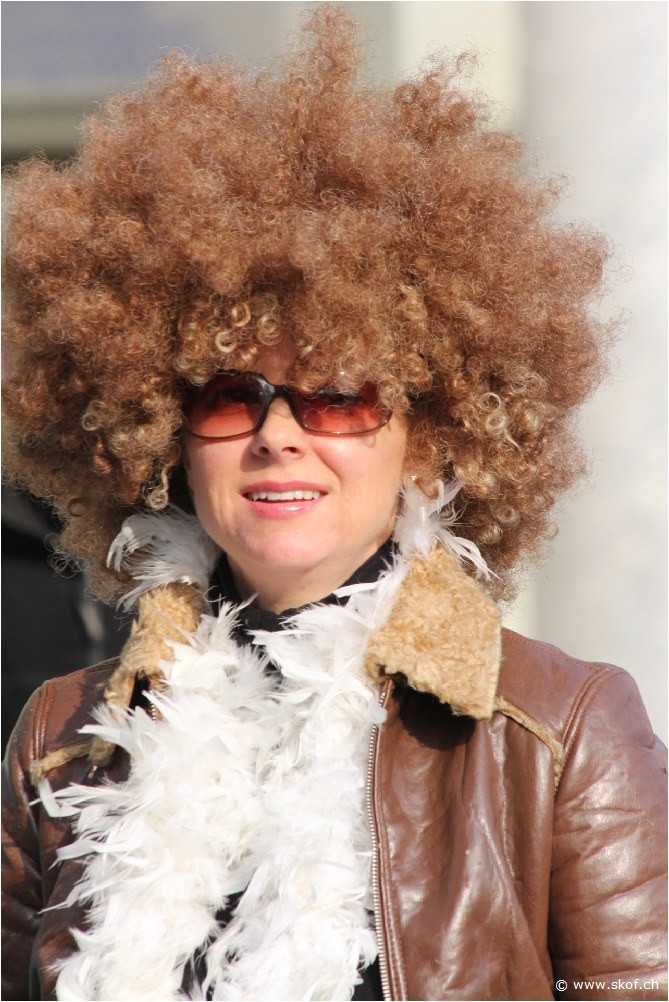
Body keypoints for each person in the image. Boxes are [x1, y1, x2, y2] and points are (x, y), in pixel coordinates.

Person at [2, 8, 666, 1001]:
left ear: (427, 435)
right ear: (168, 435)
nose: (278, 434)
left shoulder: (560, 731)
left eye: (338, 395)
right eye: (230, 395)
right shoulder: (62, 736)